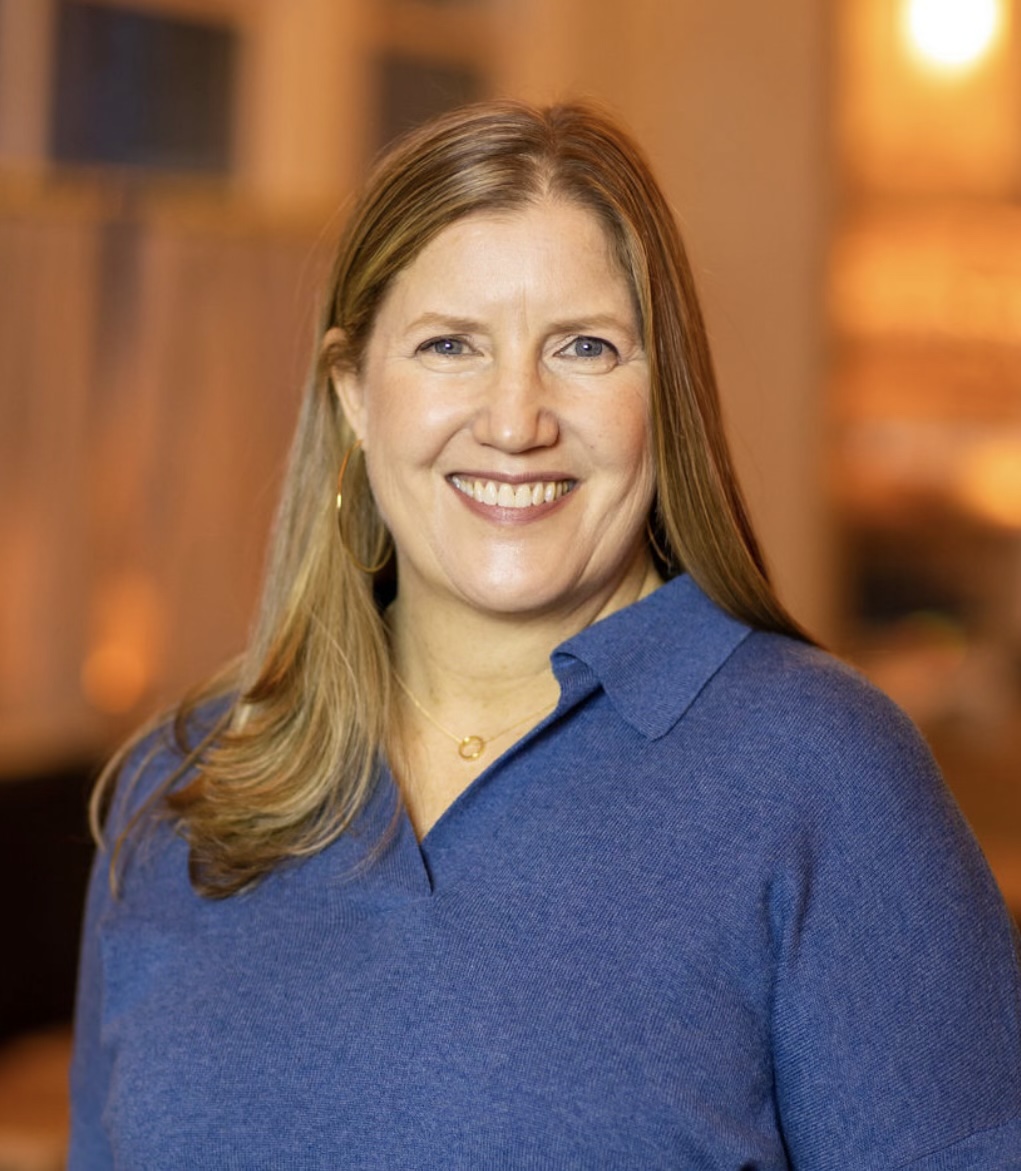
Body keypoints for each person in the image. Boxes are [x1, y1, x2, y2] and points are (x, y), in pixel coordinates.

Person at [69, 100, 1021, 1169]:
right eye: (448, 346)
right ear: (352, 396)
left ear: (664, 397)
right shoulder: (183, 790)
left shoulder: (825, 774)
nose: (515, 419)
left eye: (583, 347)